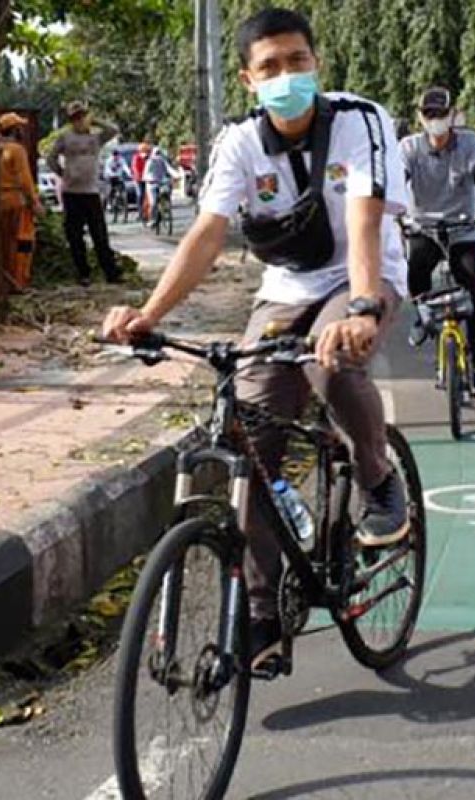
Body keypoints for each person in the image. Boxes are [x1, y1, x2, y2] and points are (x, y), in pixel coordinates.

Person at [101, 7, 410, 668]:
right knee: (250, 437)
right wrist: (148, 317)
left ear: (316, 64)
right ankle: (263, 615)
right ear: (248, 79)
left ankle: (378, 475)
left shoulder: (360, 121)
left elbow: (364, 222)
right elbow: (208, 234)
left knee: (331, 360)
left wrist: (360, 309)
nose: (286, 76)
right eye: (270, 67)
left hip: (366, 275)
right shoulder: (239, 143)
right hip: (285, 287)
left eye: (297, 61)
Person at [399, 87, 475, 400]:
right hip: (424, 228)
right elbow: (398, 178)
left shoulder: (469, 143)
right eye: (428, 115)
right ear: (420, 117)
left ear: (452, 115)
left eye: (440, 115)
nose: (435, 121)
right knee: (415, 271)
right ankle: (421, 314)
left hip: (462, 228)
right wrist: (395, 213)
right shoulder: (409, 147)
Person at [49, 100, 122, 285]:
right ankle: (83, 273)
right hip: (72, 192)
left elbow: (113, 130)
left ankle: (111, 272)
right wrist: (62, 173)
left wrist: (95, 120)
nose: (79, 121)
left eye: (82, 117)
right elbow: (51, 157)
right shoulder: (65, 138)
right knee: (75, 235)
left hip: (91, 191)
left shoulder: (96, 138)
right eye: (76, 118)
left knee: (99, 234)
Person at [0, 112, 44, 292]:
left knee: (3, 244)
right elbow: (25, 180)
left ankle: (5, 282)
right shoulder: (16, 150)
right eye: (20, 128)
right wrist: (35, 203)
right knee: (22, 244)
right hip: (16, 202)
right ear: (15, 130)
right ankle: (18, 282)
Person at [142, 146, 181, 220]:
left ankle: (164, 207)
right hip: (151, 184)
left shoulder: (162, 160)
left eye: (159, 153)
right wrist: (148, 179)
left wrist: (177, 175)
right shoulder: (150, 161)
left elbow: (169, 169)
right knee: (153, 203)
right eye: (156, 153)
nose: (158, 155)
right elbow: (145, 173)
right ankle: (152, 218)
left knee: (165, 192)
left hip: (161, 181)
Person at [131, 141, 151, 221]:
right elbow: (135, 168)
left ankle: (149, 213)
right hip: (138, 179)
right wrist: (139, 176)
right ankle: (140, 213)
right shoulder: (136, 157)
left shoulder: (149, 157)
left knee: (148, 195)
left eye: (147, 151)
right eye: (144, 151)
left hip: (147, 178)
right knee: (140, 195)